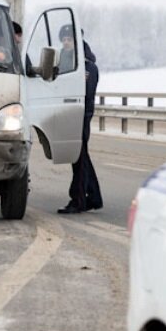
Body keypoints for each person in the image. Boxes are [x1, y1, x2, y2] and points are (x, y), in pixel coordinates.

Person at [58, 28, 103, 214]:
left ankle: (78, 200)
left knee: (79, 157)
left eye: (70, 39)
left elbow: (86, 94)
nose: (66, 42)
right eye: (64, 39)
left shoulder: (86, 65)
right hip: (67, 113)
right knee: (80, 157)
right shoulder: (64, 60)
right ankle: (93, 197)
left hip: (80, 115)